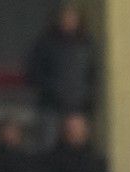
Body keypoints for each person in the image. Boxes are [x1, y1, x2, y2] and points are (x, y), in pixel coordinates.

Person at [25, 3, 96, 148]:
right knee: (48, 145)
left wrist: (86, 98)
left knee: (78, 146)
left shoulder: (86, 44)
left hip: (78, 106)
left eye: (72, 17)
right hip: (51, 106)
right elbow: (34, 73)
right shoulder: (45, 44)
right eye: (65, 17)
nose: (68, 21)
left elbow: (92, 74)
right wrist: (52, 90)